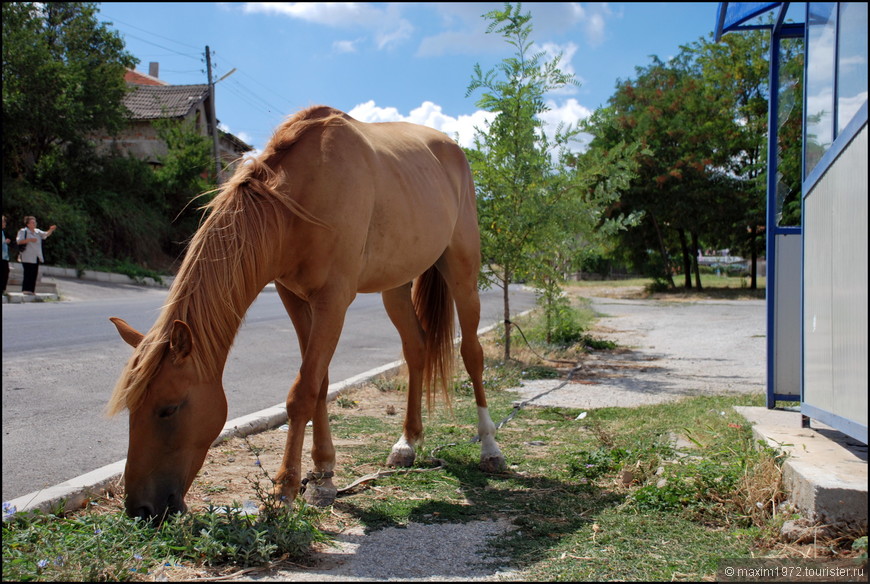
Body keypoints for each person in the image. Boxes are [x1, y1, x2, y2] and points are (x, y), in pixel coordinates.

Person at [16, 216, 57, 295]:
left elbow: (45, 234)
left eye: (35, 222)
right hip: (27, 255)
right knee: (28, 272)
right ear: (28, 224)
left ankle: (31, 290)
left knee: (34, 273)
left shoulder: (37, 231)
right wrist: (30, 240)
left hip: (36, 256)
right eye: (32, 222)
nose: (34, 224)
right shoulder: (23, 231)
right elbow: (19, 241)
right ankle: (25, 289)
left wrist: (51, 230)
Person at [1, 215, 10, 293]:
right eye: (3, 222)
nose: (5, 223)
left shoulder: (3, 232)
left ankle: (3, 289)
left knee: (5, 272)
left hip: (4, 256)